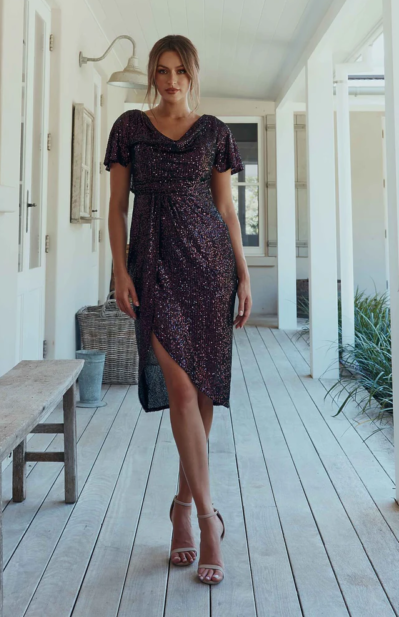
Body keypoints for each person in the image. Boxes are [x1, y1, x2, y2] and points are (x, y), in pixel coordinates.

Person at [104, 35, 252, 586]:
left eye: (180, 72)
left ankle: (183, 508)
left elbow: (226, 209)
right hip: (152, 263)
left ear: (193, 75)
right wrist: (120, 270)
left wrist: (241, 273)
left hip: (209, 268)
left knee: (204, 388)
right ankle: (211, 521)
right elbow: (118, 209)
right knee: (182, 390)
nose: (171, 82)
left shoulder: (214, 132)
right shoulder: (129, 128)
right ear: (152, 74)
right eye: (162, 71)